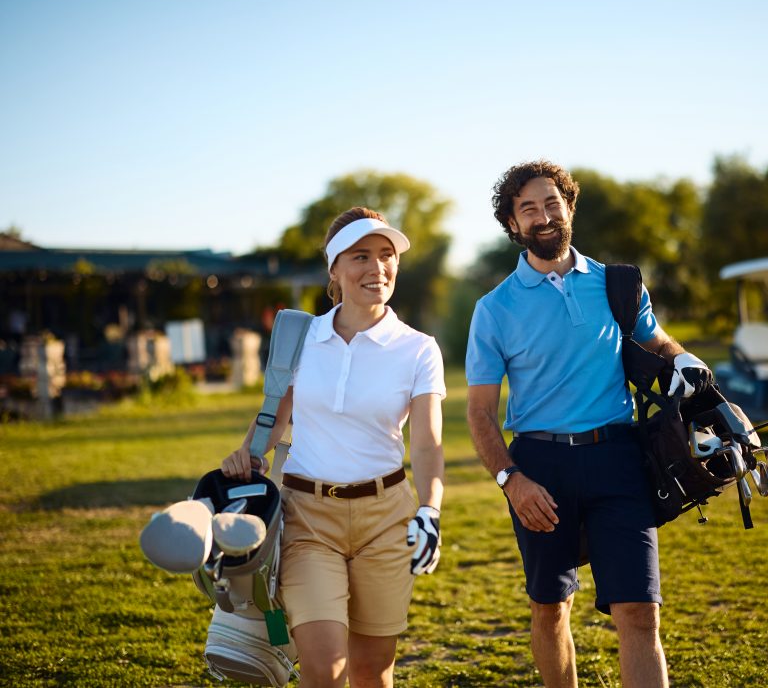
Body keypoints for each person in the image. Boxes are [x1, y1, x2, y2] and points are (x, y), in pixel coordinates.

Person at [465, 160, 713, 688]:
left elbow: (657, 341)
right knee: (550, 609)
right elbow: (481, 413)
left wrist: (682, 359)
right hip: (540, 468)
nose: (543, 216)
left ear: (569, 207)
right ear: (513, 225)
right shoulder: (494, 309)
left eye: (552, 203)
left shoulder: (617, 285)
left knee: (640, 613)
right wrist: (511, 481)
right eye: (528, 209)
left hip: (618, 460)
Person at [222, 207, 446, 688]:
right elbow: (272, 419)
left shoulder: (419, 348)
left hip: (387, 520)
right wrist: (244, 457)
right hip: (307, 519)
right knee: (324, 670)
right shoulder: (300, 338)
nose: (377, 267)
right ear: (334, 269)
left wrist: (430, 510)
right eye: (360, 256)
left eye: (386, 255)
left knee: (371, 670)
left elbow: (427, 443)